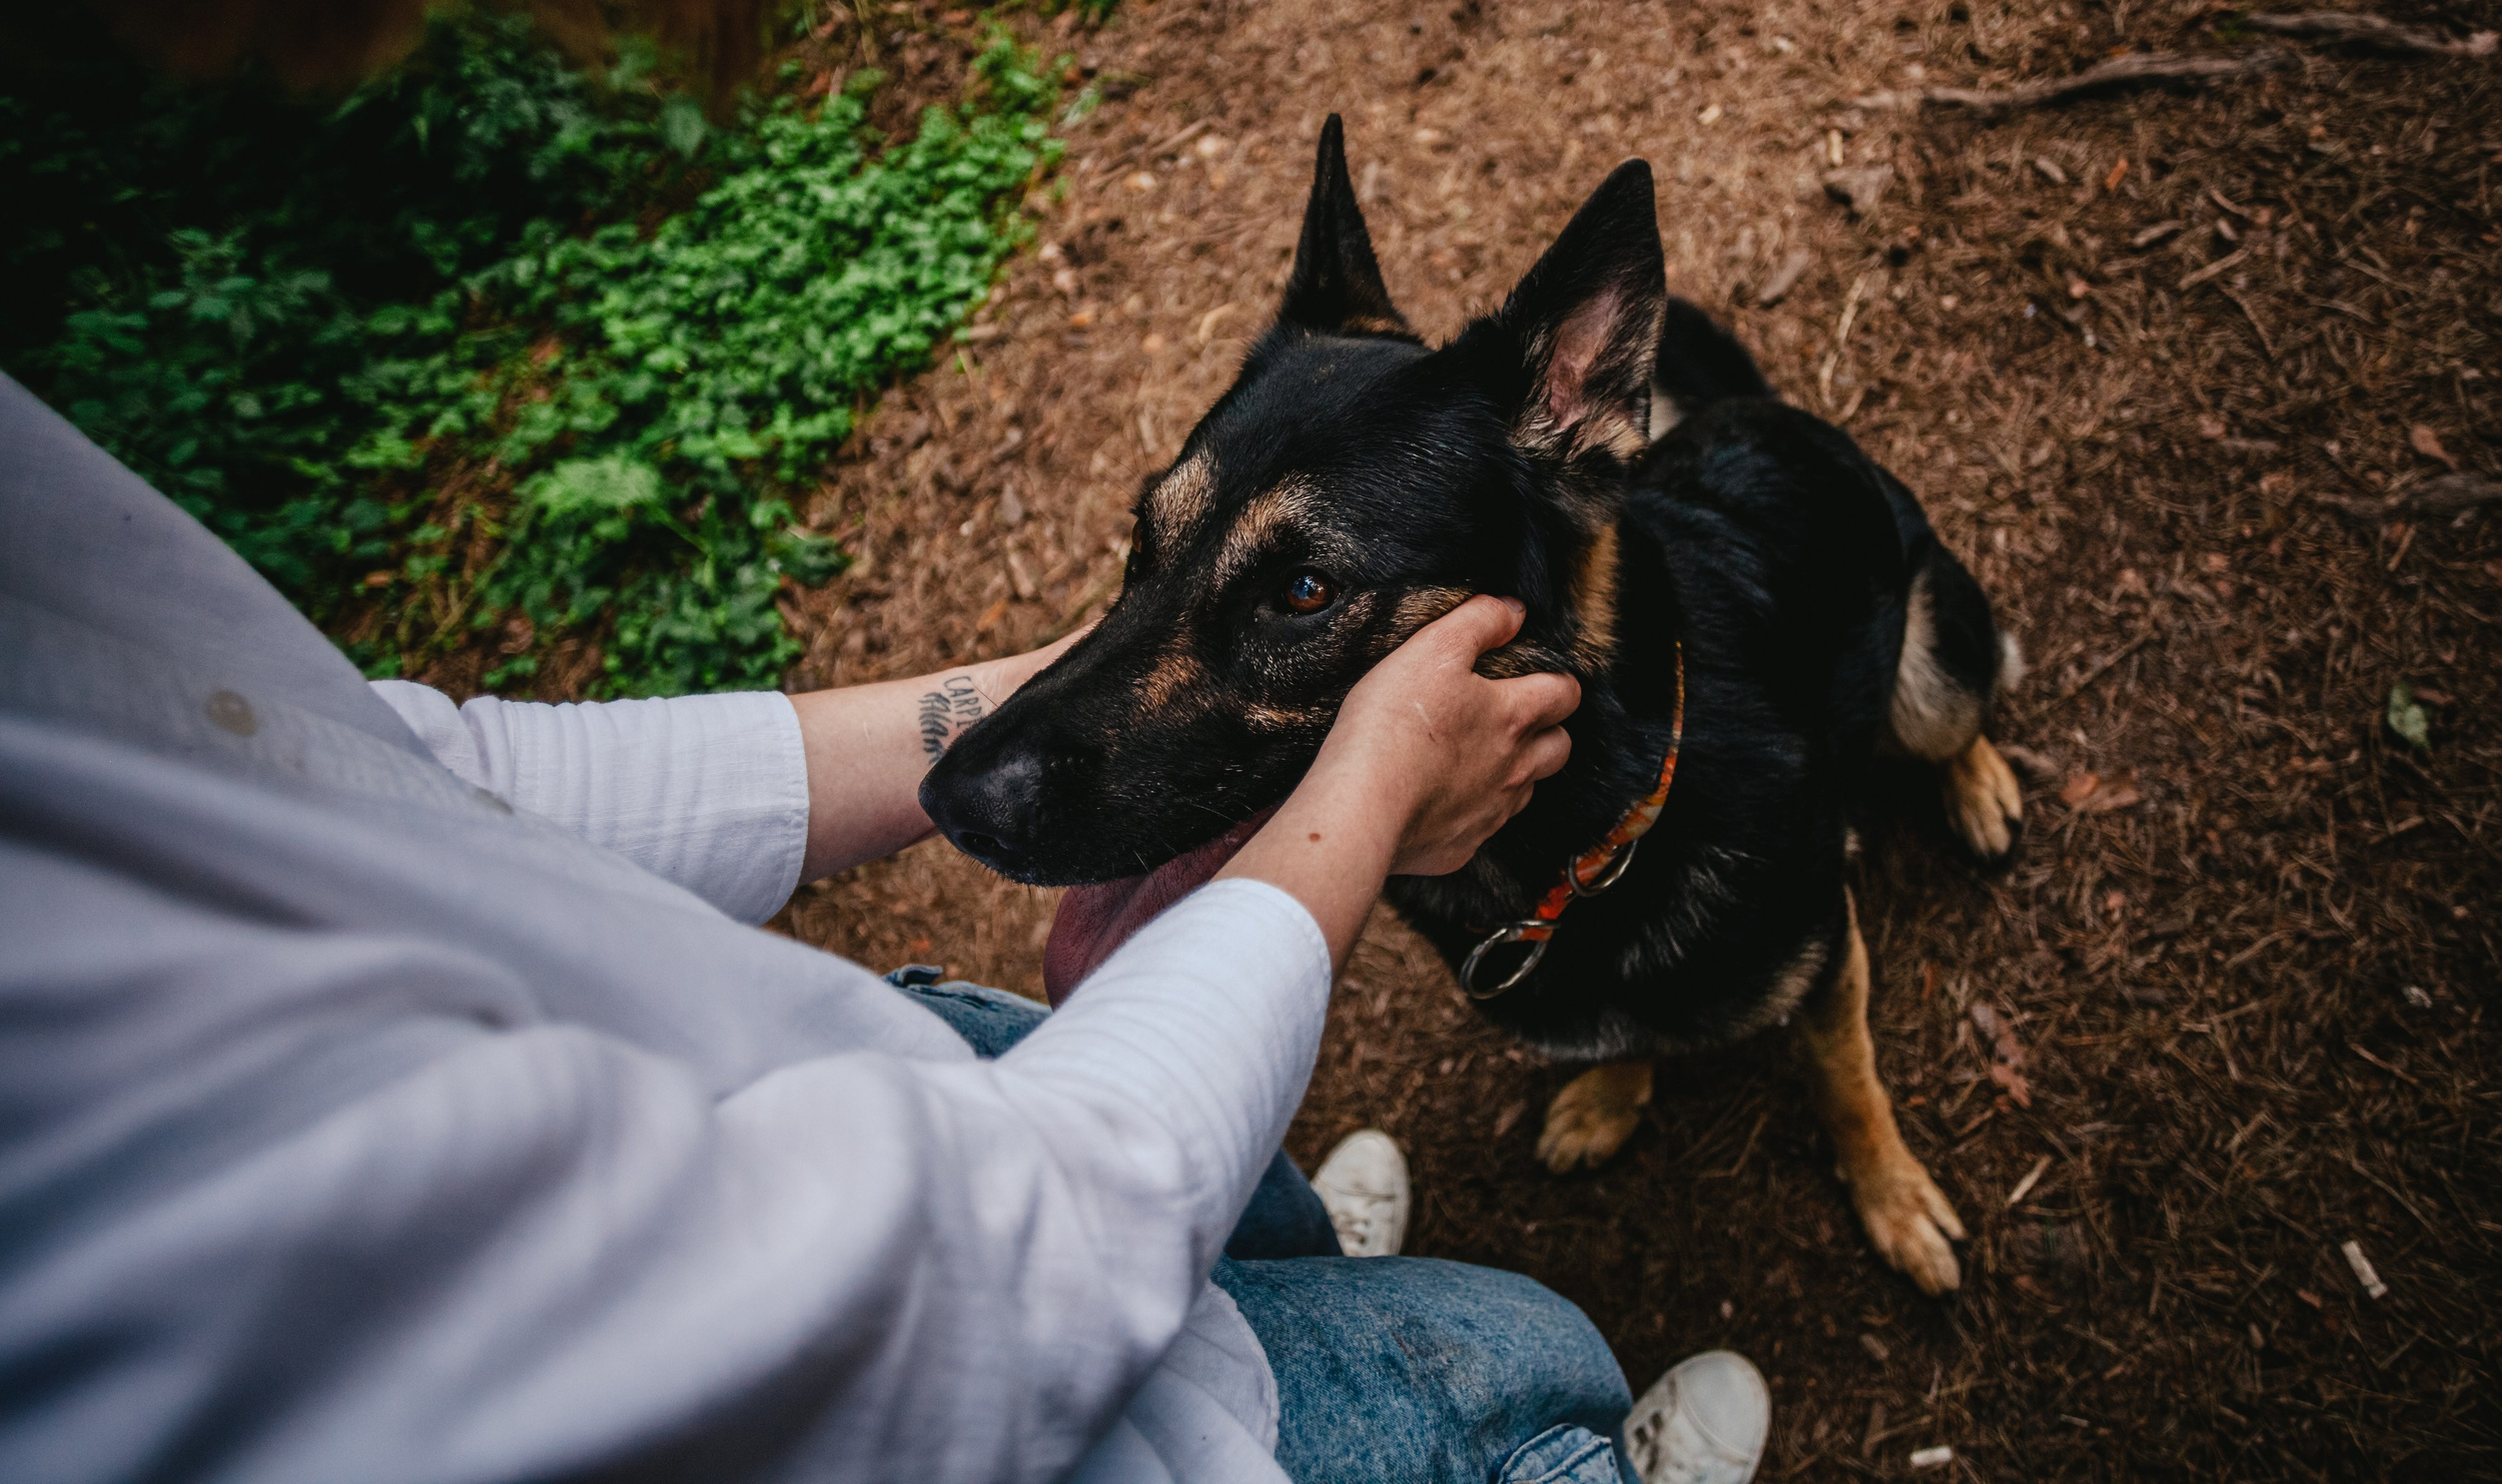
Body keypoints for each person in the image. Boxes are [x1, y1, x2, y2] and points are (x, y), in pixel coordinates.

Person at [1, 375, 1768, 1481]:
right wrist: (1361, 794)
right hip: (1041, 1371)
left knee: (1246, 1195)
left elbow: (395, 778)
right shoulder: (108, 1197)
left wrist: (1026, 723)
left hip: (876, 1100)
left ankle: (1285, 1246)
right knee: (1525, 1354)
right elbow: (995, 1292)